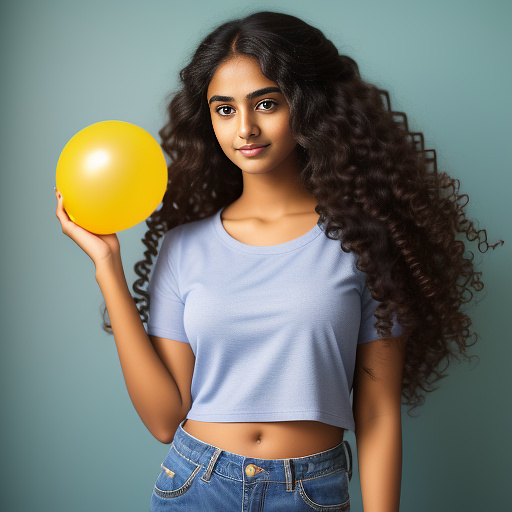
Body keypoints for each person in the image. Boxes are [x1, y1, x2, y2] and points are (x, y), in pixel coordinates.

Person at [54, 11, 502, 512]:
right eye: (224, 109)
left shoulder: (365, 243)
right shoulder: (183, 247)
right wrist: (108, 267)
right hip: (194, 484)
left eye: (266, 103)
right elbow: (164, 419)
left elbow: (376, 413)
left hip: (310, 491)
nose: (245, 128)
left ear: (309, 107)